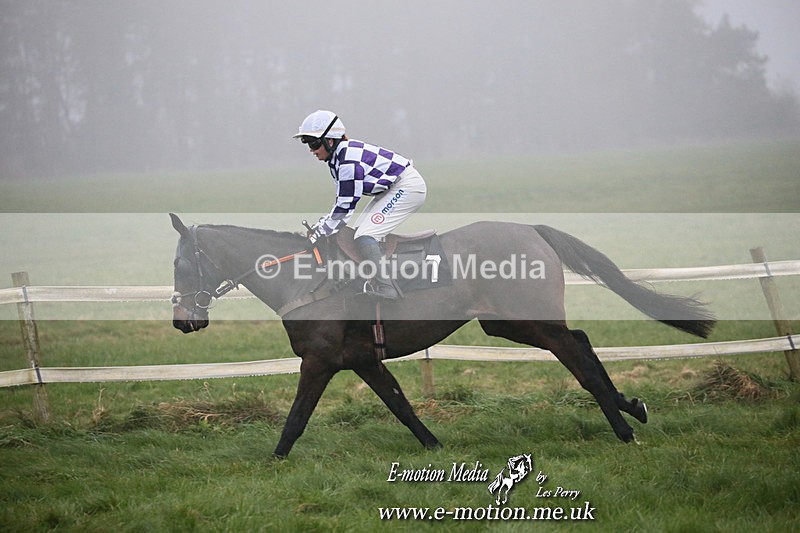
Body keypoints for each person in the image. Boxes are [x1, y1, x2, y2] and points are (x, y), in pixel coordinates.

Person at [293, 109, 427, 300]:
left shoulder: (347, 161)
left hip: (408, 187)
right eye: (307, 144)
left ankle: (386, 286)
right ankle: (375, 276)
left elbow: (346, 208)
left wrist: (320, 232)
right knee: (357, 235)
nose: (311, 150)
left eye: (314, 143)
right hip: (392, 188)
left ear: (330, 141)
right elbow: (340, 203)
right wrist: (321, 226)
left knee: (365, 236)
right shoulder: (337, 158)